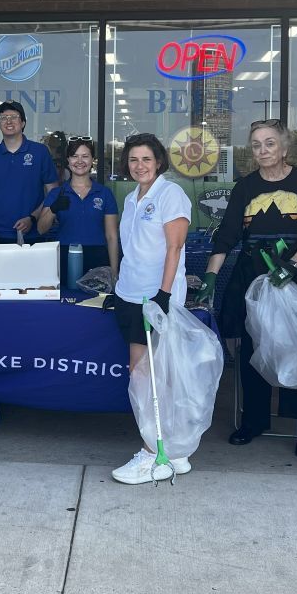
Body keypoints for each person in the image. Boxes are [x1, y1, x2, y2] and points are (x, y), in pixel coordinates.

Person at [196, 119, 297, 459]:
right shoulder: (245, 187)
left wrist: (294, 265)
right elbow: (226, 235)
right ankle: (253, 421)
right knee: (252, 348)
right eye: (256, 144)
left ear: (284, 147)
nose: (262, 150)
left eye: (270, 143)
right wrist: (211, 276)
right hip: (254, 280)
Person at [110, 133, 193, 485]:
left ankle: (152, 454)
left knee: (150, 376)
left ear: (158, 161)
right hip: (129, 295)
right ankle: (174, 450)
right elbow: (133, 250)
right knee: (145, 373)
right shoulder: (131, 198)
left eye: (146, 159)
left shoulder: (170, 194)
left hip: (155, 299)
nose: (139, 165)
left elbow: (174, 249)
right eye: (133, 160)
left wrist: (163, 294)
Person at [0, 101, 59, 283]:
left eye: (14, 117)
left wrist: (33, 218)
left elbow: (53, 191)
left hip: (32, 237)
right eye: (3, 118)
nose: (8, 121)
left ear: (23, 123)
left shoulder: (39, 152)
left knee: (32, 290)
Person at [37, 138, 119, 282]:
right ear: (68, 160)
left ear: (92, 160)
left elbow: (112, 236)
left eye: (85, 156)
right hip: (64, 255)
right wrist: (53, 209)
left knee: (94, 303)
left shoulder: (104, 193)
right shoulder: (57, 193)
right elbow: (41, 229)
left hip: (97, 258)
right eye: (75, 156)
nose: (79, 161)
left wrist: (114, 271)